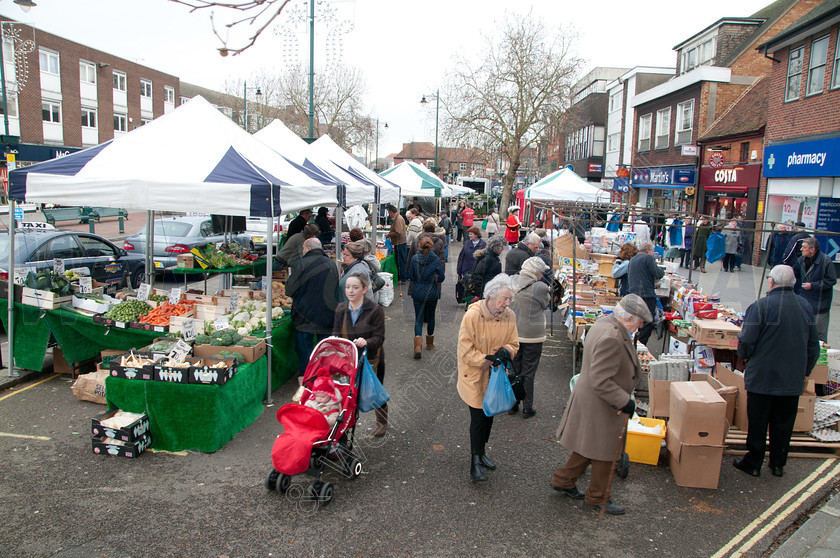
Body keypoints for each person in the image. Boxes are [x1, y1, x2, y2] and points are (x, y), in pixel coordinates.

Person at [551, 295, 650, 515]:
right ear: (629, 318)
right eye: (640, 321)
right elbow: (601, 380)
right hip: (602, 402)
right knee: (606, 452)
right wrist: (624, 401)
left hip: (592, 399)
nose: (641, 326)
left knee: (590, 446)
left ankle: (564, 480)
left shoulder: (605, 323)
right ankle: (598, 497)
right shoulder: (613, 338)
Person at [733, 265, 819, 478]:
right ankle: (778, 464)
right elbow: (813, 347)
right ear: (794, 283)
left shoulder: (760, 306)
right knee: (784, 423)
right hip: (791, 380)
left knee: (758, 422)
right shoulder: (805, 307)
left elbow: (746, 341)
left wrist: (745, 359)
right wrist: (804, 371)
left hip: (762, 377)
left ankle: (754, 462)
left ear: (771, 282)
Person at [457, 274, 519, 482]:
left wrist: (506, 351)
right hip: (475, 374)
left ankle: (482, 453)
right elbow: (465, 350)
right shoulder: (473, 315)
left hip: (495, 376)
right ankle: (475, 460)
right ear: (491, 296)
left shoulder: (509, 316)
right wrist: (487, 359)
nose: (507, 304)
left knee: (490, 415)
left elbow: (514, 343)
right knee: (478, 419)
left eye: (510, 299)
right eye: (505, 299)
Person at [333, 272, 388, 437]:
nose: (350, 291)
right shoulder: (341, 308)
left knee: (375, 391)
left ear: (364, 289)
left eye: (355, 287)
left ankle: (382, 422)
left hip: (371, 358)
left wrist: (366, 342)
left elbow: (379, 337)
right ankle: (348, 421)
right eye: (348, 287)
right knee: (348, 392)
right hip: (348, 359)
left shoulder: (375, 310)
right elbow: (335, 332)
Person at [285, 238, 339, 383]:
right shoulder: (331, 263)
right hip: (327, 313)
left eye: (303, 249)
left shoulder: (301, 264)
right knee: (324, 348)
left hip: (304, 314)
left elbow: (289, 290)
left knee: (304, 349)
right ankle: (324, 378)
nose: (302, 252)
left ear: (308, 249)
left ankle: (307, 378)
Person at [509, 257, 551, 417]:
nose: (542, 275)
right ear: (536, 272)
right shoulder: (541, 287)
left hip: (514, 331)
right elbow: (544, 304)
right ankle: (527, 407)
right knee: (529, 371)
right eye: (541, 272)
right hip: (534, 333)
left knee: (514, 368)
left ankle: (512, 404)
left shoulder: (512, 281)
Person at [407, 237, 446, 359]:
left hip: (418, 290)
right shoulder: (435, 259)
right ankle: (430, 343)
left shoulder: (415, 259)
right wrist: (435, 279)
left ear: (420, 245)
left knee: (418, 318)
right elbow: (442, 277)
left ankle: (417, 346)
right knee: (431, 317)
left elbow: (411, 276)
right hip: (432, 291)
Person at [797, 237, 837, 343]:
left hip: (820, 306)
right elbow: (795, 277)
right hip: (804, 304)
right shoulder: (801, 260)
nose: (801, 249)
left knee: (819, 338)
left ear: (812, 249)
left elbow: (831, 280)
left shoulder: (825, 261)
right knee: (803, 335)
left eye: (804, 247)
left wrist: (813, 285)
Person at [627, 241, 664, 345]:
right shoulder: (648, 258)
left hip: (633, 294)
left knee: (635, 320)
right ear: (648, 250)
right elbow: (657, 273)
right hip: (646, 295)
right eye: (652, 251)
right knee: (647, 321)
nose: (653, 253)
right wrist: (662, 271)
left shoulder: (633, 259)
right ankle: (640, 345)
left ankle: (633, 343)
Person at [469, 235, 506, 300]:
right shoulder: (488, 258)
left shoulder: (493, 256)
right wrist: (479, 293)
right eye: (501, 247)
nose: (503, 249)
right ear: (496, 247)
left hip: (490, 290)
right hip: (486, 292)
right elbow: (478, 275)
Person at [386, 204, 408, 284]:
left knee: (400, 261)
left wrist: (389, 234)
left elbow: (398, 232)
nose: (389, 214)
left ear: (391, 212)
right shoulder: (398, 218)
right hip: (399, 242)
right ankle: (402, 278)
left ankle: (402, 279)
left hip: (400, 242)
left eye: (389, 212)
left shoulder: (398, 219)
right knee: (401, 260)